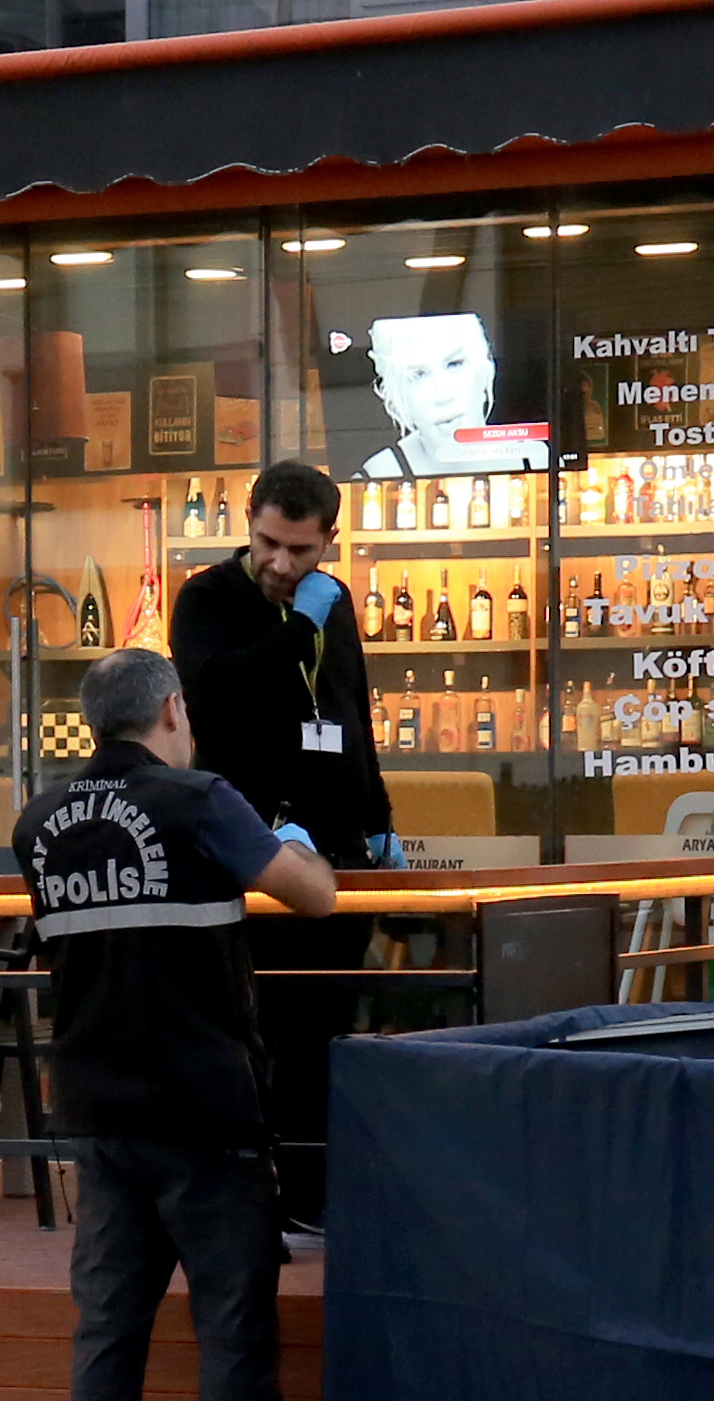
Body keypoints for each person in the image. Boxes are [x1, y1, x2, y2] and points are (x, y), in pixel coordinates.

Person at [15, 645, 342, 1401]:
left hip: (97, 1107)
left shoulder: (38, 823)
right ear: (170, 709)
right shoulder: (201, 799)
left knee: (109, 1325)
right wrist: (295, 840)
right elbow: (313, 896)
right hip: (205, 1107)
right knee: (233, 1323)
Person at [167, 459, 390, 1226]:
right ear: (248, 522)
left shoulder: (334, 602)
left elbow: (353, 711)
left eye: (301, 550)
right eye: (268, 543)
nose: (281, 564)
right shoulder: (207, 598)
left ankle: (315, 1190)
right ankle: (253, 1192)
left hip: (337, 839)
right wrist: (299, 626)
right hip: (246, 841)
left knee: (328, 1026)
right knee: (256, 1024)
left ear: (329, 539)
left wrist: (380, 815)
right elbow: (216, 700)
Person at [358, 314, 546, 479]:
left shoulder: (536, 458)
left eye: (454, 364)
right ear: (395, 392)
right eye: (418, 375)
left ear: (484, 368)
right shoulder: (378, 473)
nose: (442, 395)